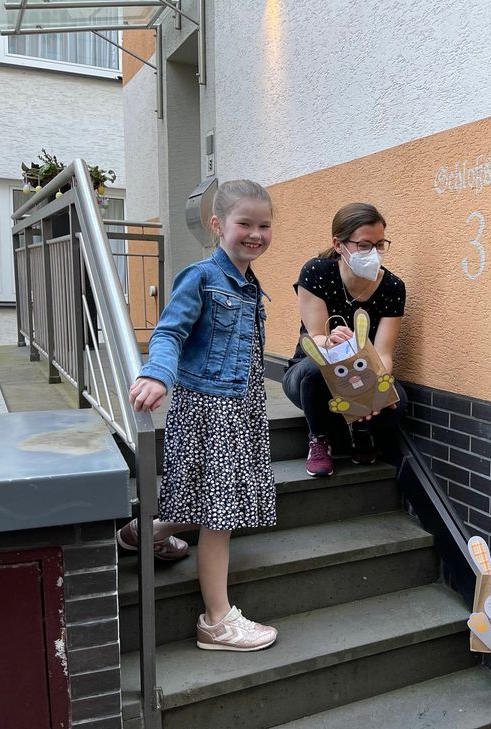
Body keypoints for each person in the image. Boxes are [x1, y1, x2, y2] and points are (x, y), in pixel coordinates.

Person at [122, 179, 279, 652]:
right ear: (218, 225)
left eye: (264, 225)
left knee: (204, 492)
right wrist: (157, 375)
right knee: (219, 512)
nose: (255, 234)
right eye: (244, 224)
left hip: (239, 406)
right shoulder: (202, 276)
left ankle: (144, 534)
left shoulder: (249, 282)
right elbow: (170, 331)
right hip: (211, 408)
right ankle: (216, 618)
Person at [282, 202, 406, 477]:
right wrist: (330, 341)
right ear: (339, 245)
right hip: (311, 374)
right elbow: (315, 337)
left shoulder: (393, 287)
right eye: (364, 245)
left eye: (380, 244)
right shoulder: (316, 273)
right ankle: (319, 439)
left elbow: (384, 354)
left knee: (399, 401)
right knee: (315, 372)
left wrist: (374, 394)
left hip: (364, 372)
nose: (373, 253)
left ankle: (361, 428)